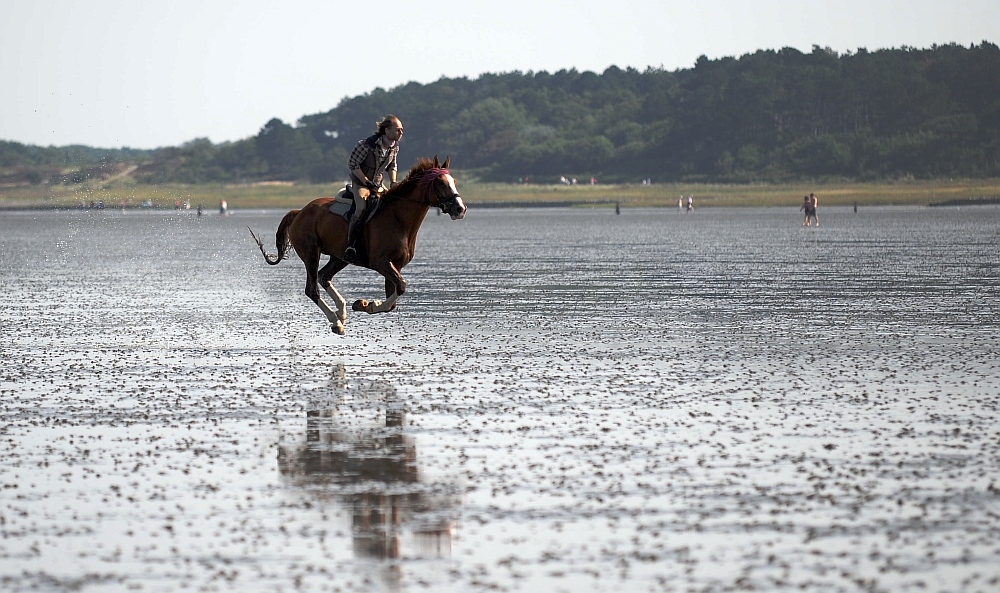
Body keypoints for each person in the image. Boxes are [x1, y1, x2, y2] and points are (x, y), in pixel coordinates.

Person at [343, 115, 403, 263]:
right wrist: (366, 181)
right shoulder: (366, 145)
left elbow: (392, 166)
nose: (401, 132)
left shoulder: (394, 147)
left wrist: (393, 181)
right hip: (361, 183)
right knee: (361, 208)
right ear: (387, 130)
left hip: (377, 184)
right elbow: (353, 164)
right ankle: (350, 246)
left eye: (401, 130)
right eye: (398, 129)